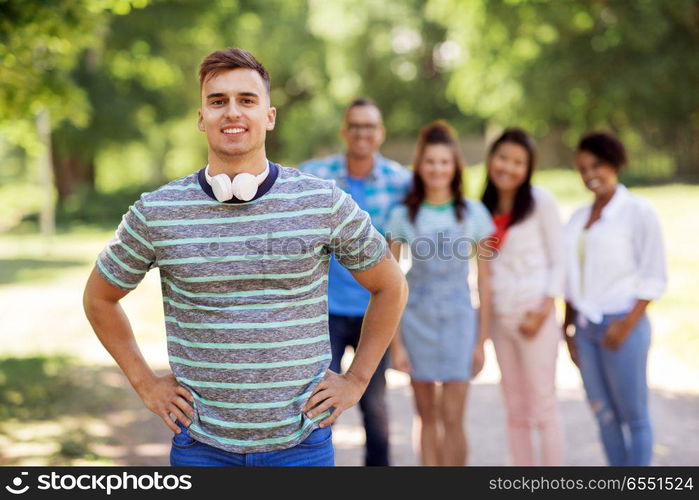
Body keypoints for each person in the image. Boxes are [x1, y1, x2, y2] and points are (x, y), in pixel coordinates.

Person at [82, 47, 408, 467]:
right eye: (218, 101)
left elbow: (390, 284)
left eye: (246, 100)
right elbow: (99, 297)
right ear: (201, 118)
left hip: (302, 447)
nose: (231, 112)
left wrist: (357, 380)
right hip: (200, 447)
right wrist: (145, 383)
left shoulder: (322, 202)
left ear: (268, 116)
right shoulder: (157, 212)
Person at [299, 98, 411, 466]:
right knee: (314, 401)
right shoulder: (315, 176)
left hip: (373, 311)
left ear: (380, 133)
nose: (362, 133)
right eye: (356, 126)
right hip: (324, 311)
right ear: (345, 132)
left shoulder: (401, 182)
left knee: (374, 404)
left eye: (370, 126)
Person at [387, 121, 494, 466]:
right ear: (420, 167)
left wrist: (481, 341)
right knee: (427, 417)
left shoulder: (475, 214)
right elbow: (389, 286)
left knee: (453, 418)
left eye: (444, 162)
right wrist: (397, 345)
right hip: (416, 323)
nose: (437, 169)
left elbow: (485, 282)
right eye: (430, 162)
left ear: (455, 167)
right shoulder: (402, 215)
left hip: (459, 324)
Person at [563, 131, 667, 466]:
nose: (589, 174)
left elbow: (654, 275)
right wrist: (568, 328)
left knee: (634, 416)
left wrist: (626, 325)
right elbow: (571, 277)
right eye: (582, 168)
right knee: (604, 417)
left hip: (622, 326)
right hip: (585, 330)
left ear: (615, 163)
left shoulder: (638, 211)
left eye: (597, 165)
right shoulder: (578, 218)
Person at [481, 128, 565, 465]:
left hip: (535, 319)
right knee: (515, 408)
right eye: (503, 158)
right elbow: (483, 271)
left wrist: (544, 311)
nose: (508, 167)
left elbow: (560, 262)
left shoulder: (541, 202)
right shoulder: (481, 208)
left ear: (528, 168)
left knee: (543, 406)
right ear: (491, 159)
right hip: (502, 321)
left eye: (518, 162)